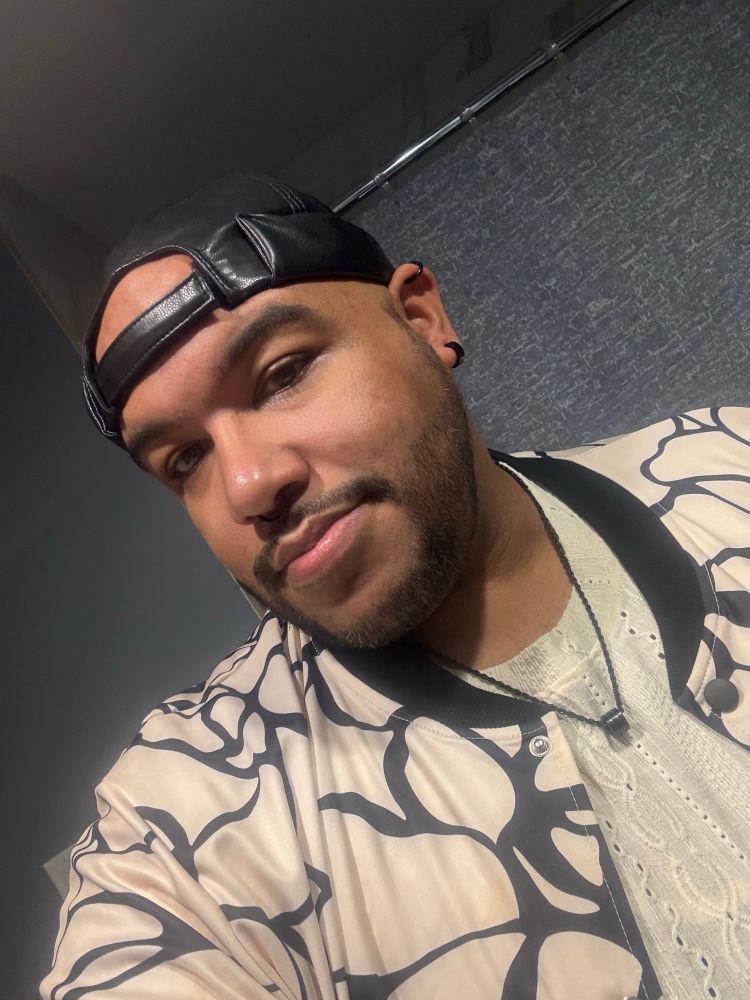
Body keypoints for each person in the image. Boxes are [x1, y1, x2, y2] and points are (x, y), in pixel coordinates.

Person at [42, 173, 749, 1000]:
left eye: (282, 374)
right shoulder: (189, 818)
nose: (246, 485)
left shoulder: (727, 464)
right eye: (186, 459)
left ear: (421, 320)